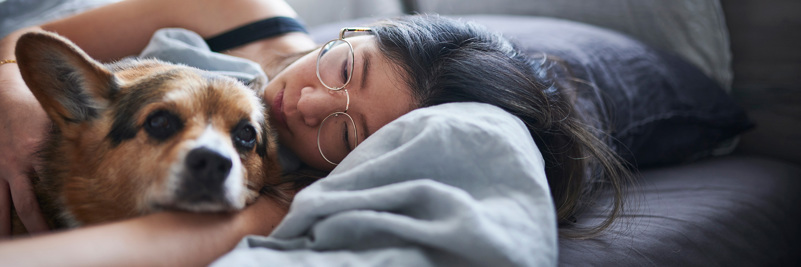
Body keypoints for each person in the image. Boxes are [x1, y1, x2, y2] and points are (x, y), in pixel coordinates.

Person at [0, 0, 631, 264]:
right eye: (343, 68)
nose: (304, 103)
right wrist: (11, 91)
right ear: (351, 33)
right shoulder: (245, 13)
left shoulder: (285, 184)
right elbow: (21, 51)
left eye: (346, 132)